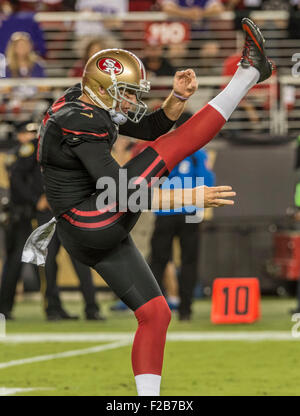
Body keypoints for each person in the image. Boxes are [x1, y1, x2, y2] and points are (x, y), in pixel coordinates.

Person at [23, 19, 272, 396]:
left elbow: (151, 127)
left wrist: (176, 99)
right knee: (174, 147)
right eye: (124, 92)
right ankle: (249, 73)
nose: (130, 100)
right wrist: (189, 195)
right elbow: (121, 192)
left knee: (156, 314)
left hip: (93, 221)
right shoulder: (78, 120)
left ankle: (148, 403)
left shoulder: (85, 101)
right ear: (102, 89)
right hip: (89, 220)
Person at [149, 114, 215, 321]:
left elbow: (151, 177)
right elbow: (207, 180)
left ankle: (153, 307)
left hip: (165, 210)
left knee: (157, 261)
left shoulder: (164, 146)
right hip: (190, 211)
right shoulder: (198, 152)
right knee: (189, 261)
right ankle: (185, 310)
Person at [0, 121, 40, 320]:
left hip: (19, 213)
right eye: (28, 133)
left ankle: (5, 307)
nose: (32, 137)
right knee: (15, 259)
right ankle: (4, 307)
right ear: (20, 135)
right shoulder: (27, 152)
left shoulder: (19, 153)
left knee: (14, 260)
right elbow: (16, 179)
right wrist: (35, 200)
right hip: (21, 213)